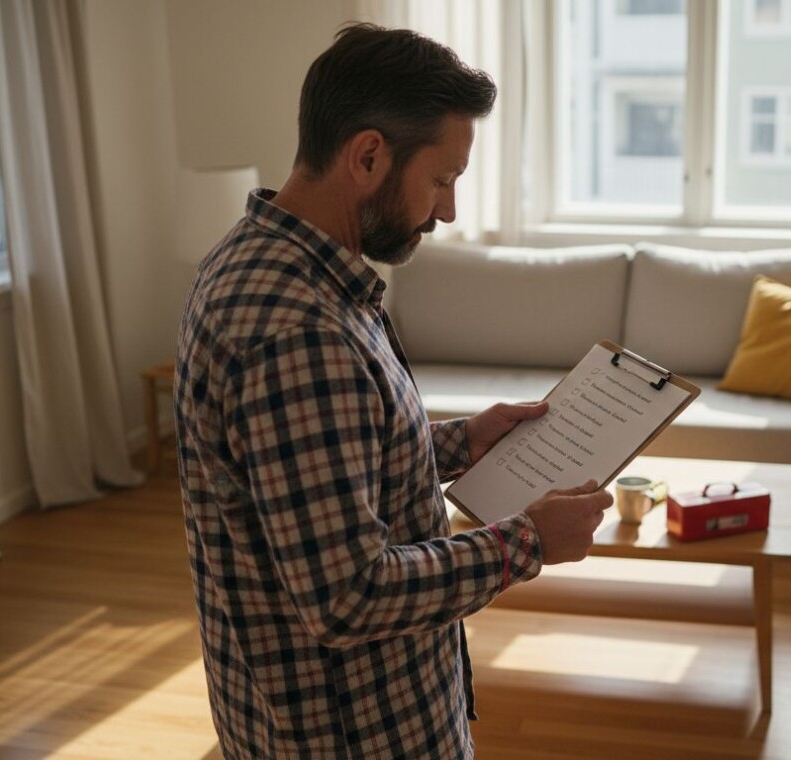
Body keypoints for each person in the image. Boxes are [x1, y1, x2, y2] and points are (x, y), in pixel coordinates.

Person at [174, 24, 612, 759]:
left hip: (338, 706)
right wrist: (530, 542)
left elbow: (318, 470)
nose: (447, 212)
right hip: (352, 732)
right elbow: (351, 596)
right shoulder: (297, 330)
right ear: (369, 155)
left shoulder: (270, 261)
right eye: (441, 180)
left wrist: (460, 441)